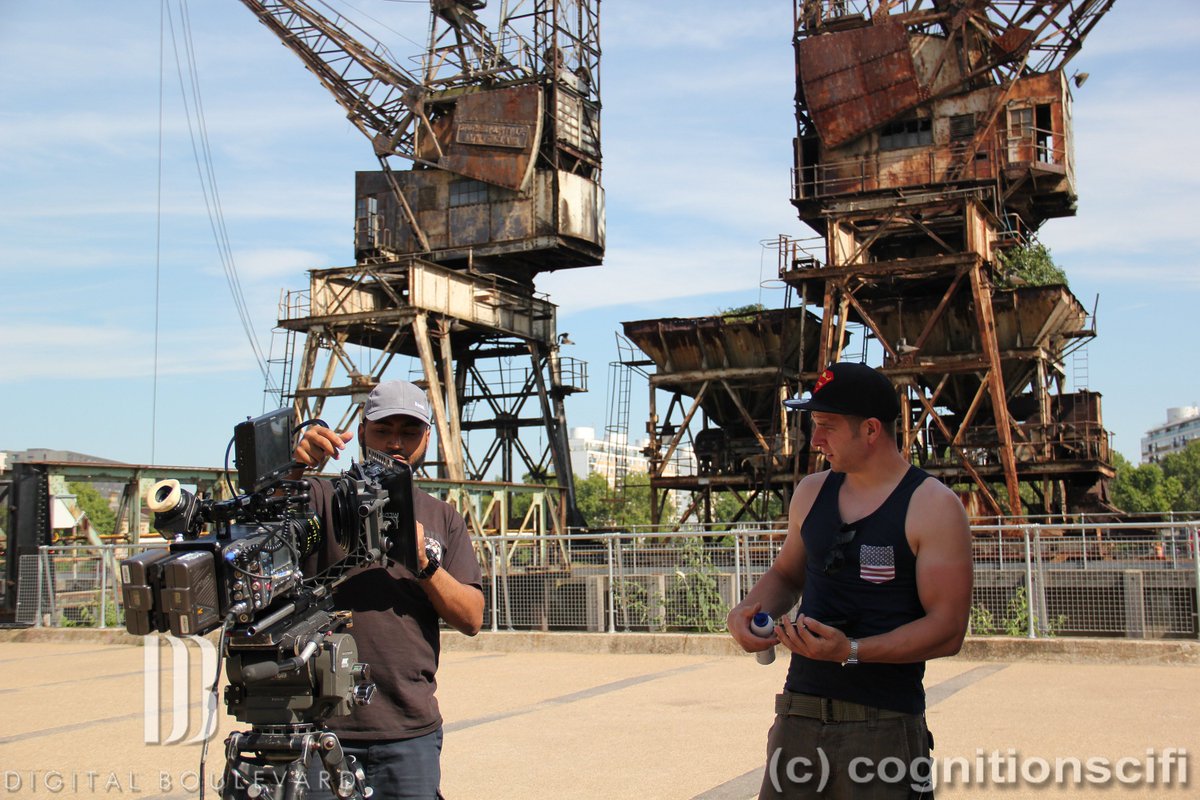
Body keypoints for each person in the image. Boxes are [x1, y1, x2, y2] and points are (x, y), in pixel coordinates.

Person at [727, 362, 973, 799]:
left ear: (872, 430)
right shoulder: (811, 492)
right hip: (797, 716)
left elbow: (947, 629)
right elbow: (787, 573)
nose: (814, 439)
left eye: (827, 427)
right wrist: (750, 611)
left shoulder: (933, 506)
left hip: (883, 726)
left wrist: (853, 651)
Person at [292, 380, 484, 799]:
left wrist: (423, 563)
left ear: (427, 437)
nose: (396, 442)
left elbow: (471, 617)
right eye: (382, 430)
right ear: (361, 432)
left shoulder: (442, 517)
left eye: (410, 431)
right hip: (321, 727)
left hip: (407, 730)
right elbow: (263, 526)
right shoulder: (320, 498)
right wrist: (294, 468)